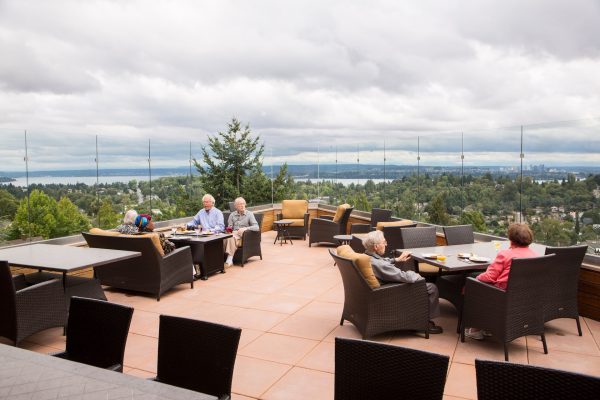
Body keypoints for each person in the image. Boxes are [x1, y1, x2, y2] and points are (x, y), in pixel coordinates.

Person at [465, 222, 538, 340]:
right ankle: (491, 327)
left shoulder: (506, 254)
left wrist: (476, 279)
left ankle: (476, 329)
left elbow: (489, 277)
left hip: (502, 294)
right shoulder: (536, 256)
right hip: (525, 295)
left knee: (472, 283)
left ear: (511, 239)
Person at [362, 230, 443, 334]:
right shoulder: (380, 265)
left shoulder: (367, 257)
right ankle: (424, 322)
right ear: (376, 247)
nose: (386, 244)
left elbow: (381, 262)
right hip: (391, 293)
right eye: (384, 242)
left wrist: (396, 260)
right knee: (431, 287)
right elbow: (406, 277)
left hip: (381, 289)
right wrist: (417, 275)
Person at [224, 197, 259, 268]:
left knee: (231, 239)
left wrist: (246, 228)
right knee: (224, 239)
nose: (242, 205)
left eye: (243, 203)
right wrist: (229, 230)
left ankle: (229, 260)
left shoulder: (249, 214)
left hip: (245, 236)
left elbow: (256, 227)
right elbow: (229, 227)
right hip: (234, 234)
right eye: (240, 204)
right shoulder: (232, 215)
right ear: (236, 206)